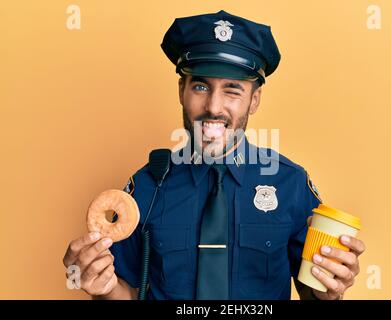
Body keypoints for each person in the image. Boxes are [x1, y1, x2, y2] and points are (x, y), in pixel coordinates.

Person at [62, 10, 365, 300]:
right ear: (182, 90)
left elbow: (313, 291)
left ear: (254, 100)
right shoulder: (145, 187)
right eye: (200, 86)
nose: (214, 107)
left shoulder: (291, 184)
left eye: (232, 90)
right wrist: (101, 286)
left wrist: (330, 292)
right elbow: (126, 292)